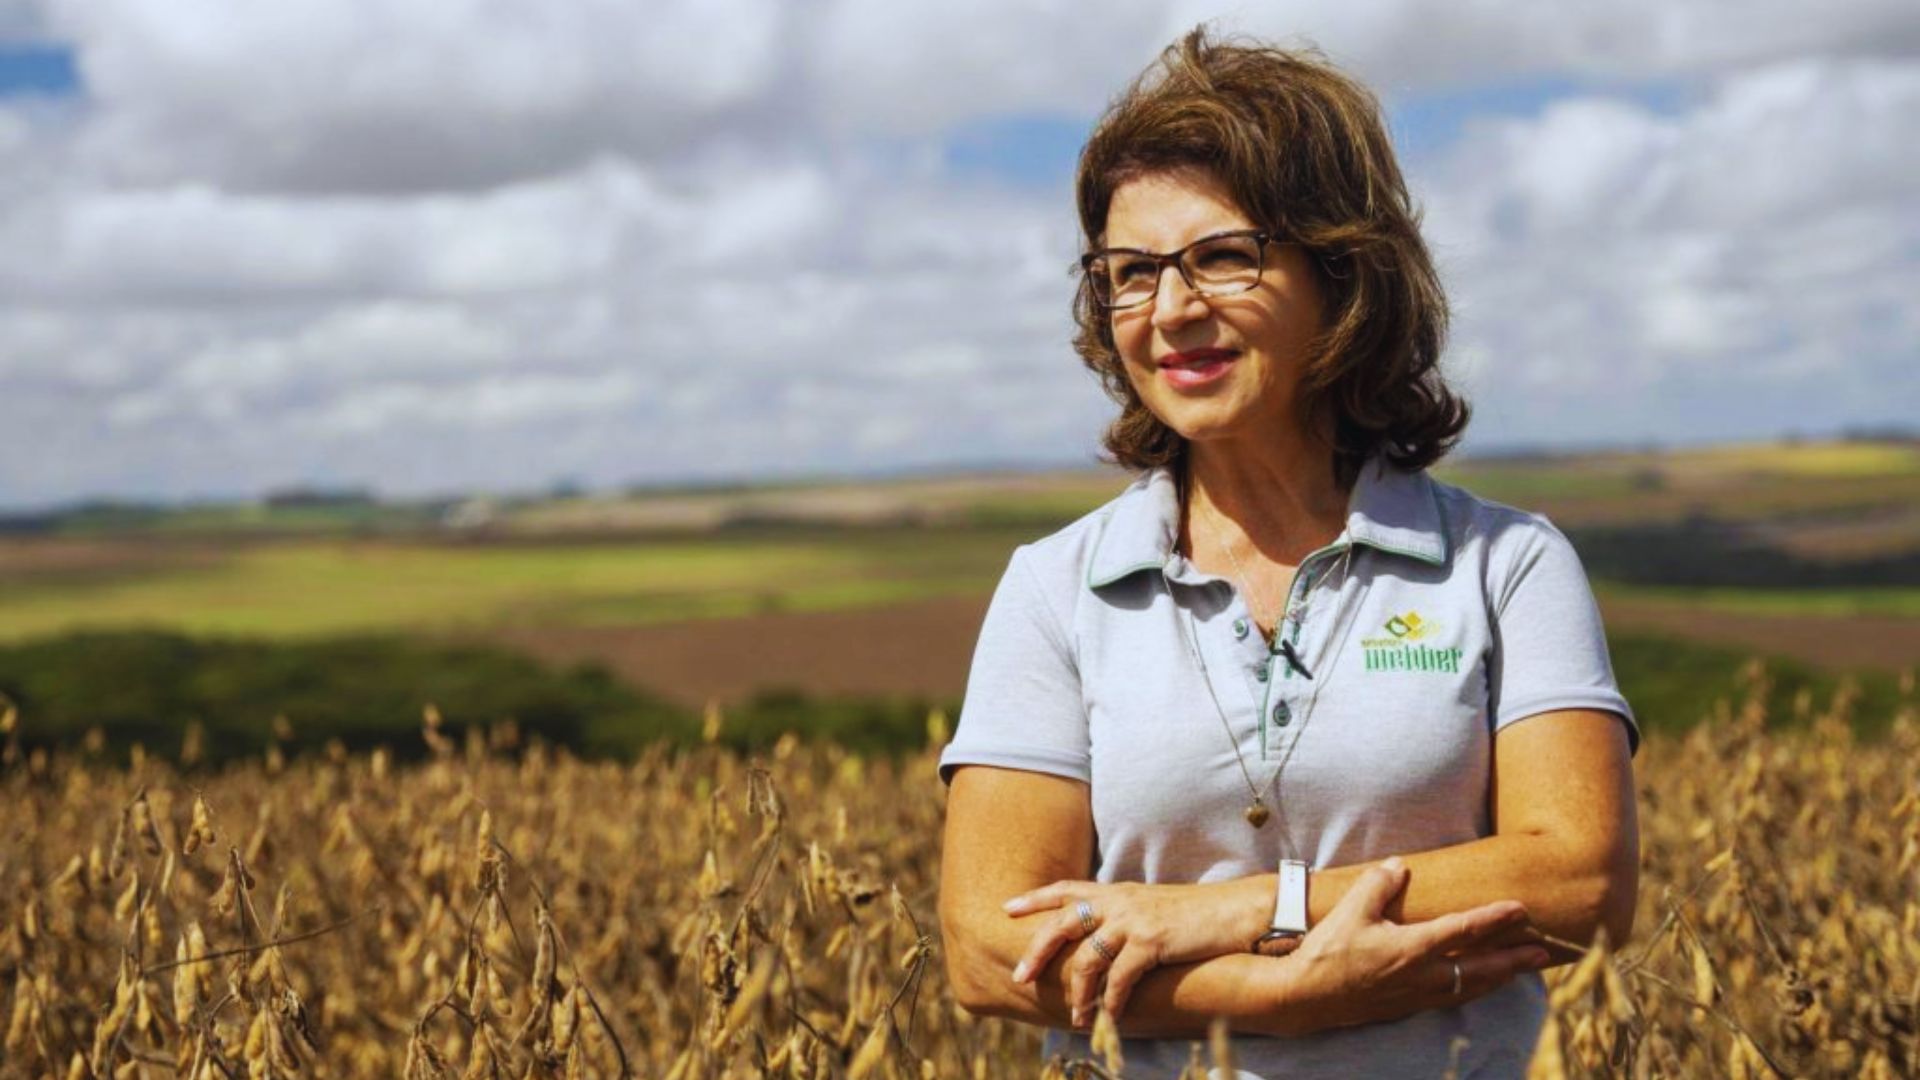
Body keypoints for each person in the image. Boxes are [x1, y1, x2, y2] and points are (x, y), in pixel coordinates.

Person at [936, 27, 1640, 1080]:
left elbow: (1580, 884)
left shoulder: (1508, 565)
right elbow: (989, 952)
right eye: (1130, 274)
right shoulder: (1055, 588)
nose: (1171, 310)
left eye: (1224, 257)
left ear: (1345, 273)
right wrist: (1283, 998)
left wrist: (1229, 912)